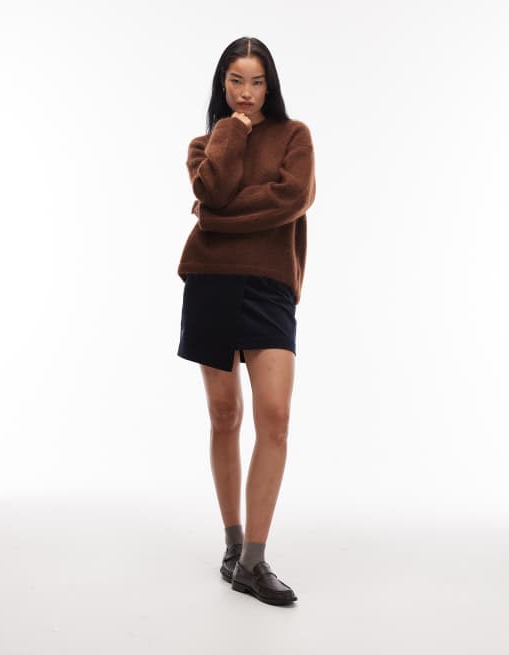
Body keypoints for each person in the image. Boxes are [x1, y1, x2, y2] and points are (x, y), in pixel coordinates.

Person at [176, 36, 316, 606]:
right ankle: (234, 547)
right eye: (237, 80)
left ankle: (255, 563)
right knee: (224, 416)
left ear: (270, 85)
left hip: (269, 286)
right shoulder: (205, 143)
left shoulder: (295, 136)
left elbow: (291, 198)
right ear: (223, 83)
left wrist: (216, 216)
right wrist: (230, 132)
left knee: (275, 417)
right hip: (210, 281)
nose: (247, 92)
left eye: (258, 82)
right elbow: (210, 187)